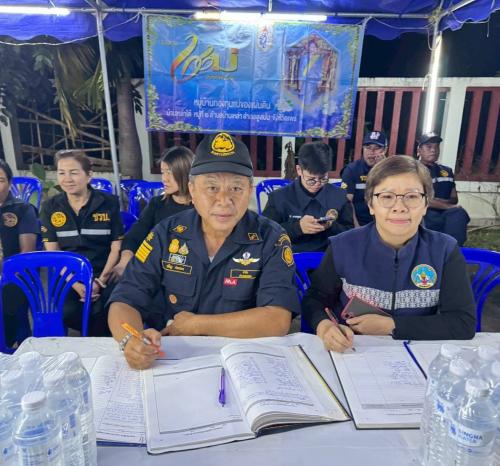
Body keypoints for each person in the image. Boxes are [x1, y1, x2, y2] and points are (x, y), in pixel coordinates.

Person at [108, 132, 300, 369]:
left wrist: (196, 324)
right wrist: (130, 340)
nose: (224, 200)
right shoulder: (167, 234)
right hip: (172, 360)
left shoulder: (271, 238)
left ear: (249, 191)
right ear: (192, 190)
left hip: (242, 360)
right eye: (212, 187)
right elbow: (125, 299)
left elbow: (277, 320)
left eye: (236, 188)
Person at [303, 155, 476, 353]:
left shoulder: (444, 250)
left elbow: (462, 322)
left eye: (412, 197)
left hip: (417, 354)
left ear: (426, 205)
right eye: (386, 197)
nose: (399, 207)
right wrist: (324, 326)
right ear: (370, 205)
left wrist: (392, 325)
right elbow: (314, 299)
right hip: (353, 352)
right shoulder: (343, 246)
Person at [40, 149, 124, 336]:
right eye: (61, 173)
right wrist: (76, 284)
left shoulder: (108, 202)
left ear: (89, 175)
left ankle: (100, 346)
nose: (67, 179)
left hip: (104, 272)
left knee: (107, 310)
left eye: (74, 172)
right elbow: (54, 253)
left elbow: (116, 247)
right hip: (68, 275)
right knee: (69, 312)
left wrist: (100, 281)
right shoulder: (50, 207)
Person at [109, 145, 194, 328]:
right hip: (156, 272)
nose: (164, 179)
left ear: (185, 173)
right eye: (163, 172)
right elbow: (135, 237)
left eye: (170, 173)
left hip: (187, 273)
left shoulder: (200, 209)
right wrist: (124, 262)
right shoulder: (157, 205)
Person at [262, 141, 353, 252]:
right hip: (289, 256)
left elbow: (350, 233)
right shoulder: (279, 198)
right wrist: (297, 228)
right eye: (311, 179)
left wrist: (331, 226)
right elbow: (265, 234)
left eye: (323, 178)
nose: (317, 184)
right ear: (299, 170)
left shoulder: (339, 196)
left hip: (328, 255)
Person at [0, 160, 39, 346]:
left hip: (13, 275)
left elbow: (26, 255)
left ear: (9, 183)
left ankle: (9, 343)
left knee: (9, 299)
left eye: (0, 180)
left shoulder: (23, 210)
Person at [417, 132, 470, 246]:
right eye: (429, 147)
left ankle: (453, 249)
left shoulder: (447, 171)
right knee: (431, 216)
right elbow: (421, 199)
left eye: (436, 147)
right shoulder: (413, 171)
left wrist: (435, 201)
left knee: (459, 213)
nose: (433, 150)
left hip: (446, 213)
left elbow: (454, 198)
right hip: (424, 213)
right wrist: (447, 205)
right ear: (419, 150)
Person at [341, 131, 387, 226]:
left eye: (377, 148)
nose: (371, 152)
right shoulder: (352, 170)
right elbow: (347, 202)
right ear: (363, 149)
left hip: (385, 222)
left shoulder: (391, 171)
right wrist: (356, 226)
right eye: (368, 147)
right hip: (358, 222)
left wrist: (382, 169)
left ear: (385, 150)